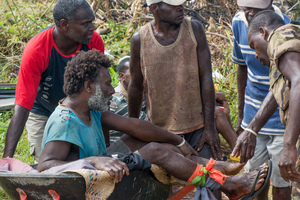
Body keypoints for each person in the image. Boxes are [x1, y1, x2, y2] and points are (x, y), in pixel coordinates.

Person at [37, 49, 271, 200]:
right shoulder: (64, 121)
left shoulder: (91, 110)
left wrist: (177, 140)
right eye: (108, 84)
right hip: (85, 180)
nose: (112, 90)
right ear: (88, 87)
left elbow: (133, 126)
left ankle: (211, 168)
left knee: (155, 143)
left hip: (101, 168)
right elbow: (45, 166)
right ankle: (225, 184)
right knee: (155, 151)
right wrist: (95, 160)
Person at [2, 0, 105, 163]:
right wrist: (6, 161)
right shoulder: (37, 50)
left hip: (79, 110)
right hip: (44, 110)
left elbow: (97, 87)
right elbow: (22, 106)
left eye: (92, 22)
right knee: (48, 165)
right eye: (86, 23)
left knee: (84, 159)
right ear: (64, 25)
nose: (92, 27)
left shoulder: (93, 42)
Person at [232, 10, 300, 199]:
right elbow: (278, 90)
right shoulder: (291, 37)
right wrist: (252, 129)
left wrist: (288, 145)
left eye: (253, 45)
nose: (255, 54)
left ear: (263, 32)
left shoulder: (278, 39)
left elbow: (298, 81)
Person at [109, 56, 147, 143]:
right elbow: (149, 126)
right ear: (121, 76)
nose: (142, 75)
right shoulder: (116, 101)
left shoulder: (140, 95)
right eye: (137, 72)